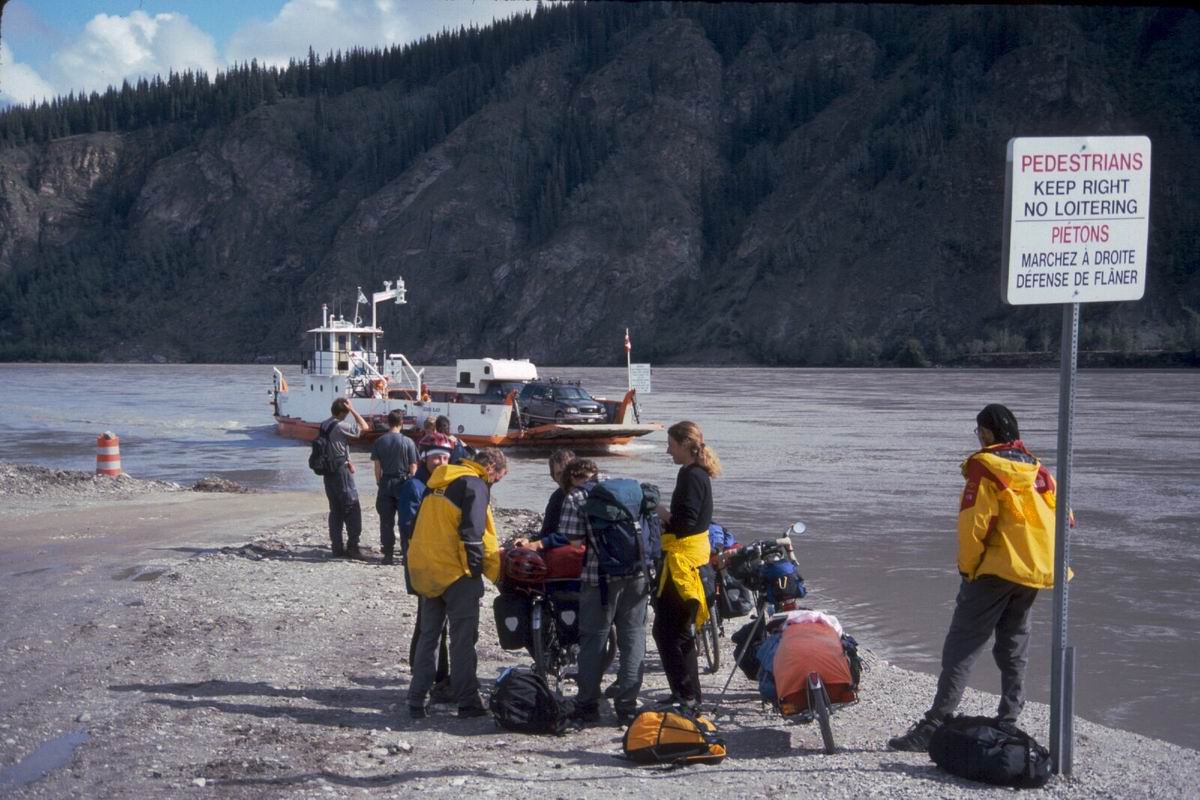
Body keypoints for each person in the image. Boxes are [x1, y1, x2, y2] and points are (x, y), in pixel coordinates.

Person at [888, 404, 1067, 752]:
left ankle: (934, 725)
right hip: (1034, 571)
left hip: (995, 570)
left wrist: (968, 570)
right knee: (1014, 646)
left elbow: (974, 525)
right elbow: (1066, 518)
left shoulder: (984, 467)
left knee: (962, 647)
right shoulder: (1039, 470)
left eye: (978, 432)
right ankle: (1008, 720)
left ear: (985, 433)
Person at [517, 458, 656, 726]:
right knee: (633, 637)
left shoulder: (576, 497)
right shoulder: (630, 488)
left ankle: (588, 703)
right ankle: (627, 705)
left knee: (594, 638)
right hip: (639, 573)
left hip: (599, 578)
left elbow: (574, 541)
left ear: (570, 478)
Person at [406, 447, 507, 719]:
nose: (494, 483)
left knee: (428, 636)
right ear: (490, 468)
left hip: (428, 569)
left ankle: (416, 699)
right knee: (462, 640)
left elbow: (416, 526)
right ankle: (468, 701)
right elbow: (475, 536)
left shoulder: (437, 482)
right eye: (497, 478)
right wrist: (483, 573)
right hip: (456, 574)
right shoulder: (474, 485)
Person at [653, 420, 721, 710]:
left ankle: (687, 695)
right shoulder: (694, 472)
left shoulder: (692, 476)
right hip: (691, 558)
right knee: (676, 631)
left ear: (684, 445)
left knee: (667, 631)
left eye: (670, 445)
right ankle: (688, 694)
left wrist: (661, 514)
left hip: (684, 563)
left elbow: (687, 522)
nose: (668, 451)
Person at [398, 433, 454, 703]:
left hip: (437, 562)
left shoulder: (440, 484)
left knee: (434, 621)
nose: (441, 462)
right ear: (424, 459)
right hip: (422, 563)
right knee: (429, 622)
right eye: (436, 458)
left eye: (445, 458)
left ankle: (434, 674)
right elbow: (410, 527)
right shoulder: (415, 486)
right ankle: (428, 675)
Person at [319, 397, 369, 559]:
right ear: (342, 412)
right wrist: (353, 410)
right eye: (346, 412)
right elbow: (364, 427)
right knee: (352, 507)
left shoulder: (324, 425)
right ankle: (353, 547)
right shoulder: (340, 425)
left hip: (328, 471)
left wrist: (349, 460)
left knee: (335, 510)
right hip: (341, 472)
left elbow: (335, 445)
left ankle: (337, 548)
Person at [371, 409, 419, 566]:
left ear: (387, 422)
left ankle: (388, 555)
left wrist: (379, 482)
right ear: (401, 423)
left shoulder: (379, 441)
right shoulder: (408, 442)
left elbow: (377, 467)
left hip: (386, 482)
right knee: (405, 520)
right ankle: (406, 554)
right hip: (403, 483)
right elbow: (413, 467)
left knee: (386, 521)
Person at [537, 449, 575, 541]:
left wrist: (542, 543)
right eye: (559, 474)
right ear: (554, 478)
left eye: (567, 471)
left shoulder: (590, 493)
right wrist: (530, 541)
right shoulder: (557, 498)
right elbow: (546, 532)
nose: (564, 477)